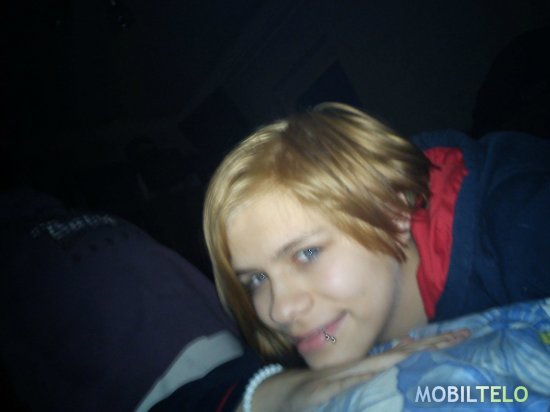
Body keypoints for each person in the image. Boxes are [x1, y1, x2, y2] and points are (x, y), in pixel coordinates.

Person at [203, 102, 550, 408]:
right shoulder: (325, 329)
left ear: (393, 212)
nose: (280, 310)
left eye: (307, 253)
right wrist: (279, 393)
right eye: (257, 279)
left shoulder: (522, 227)